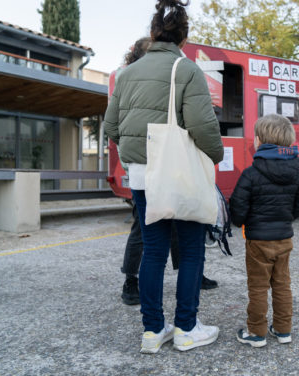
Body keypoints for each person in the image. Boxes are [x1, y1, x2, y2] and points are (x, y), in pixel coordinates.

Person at [104, 0, 224, 354]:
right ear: (183, 37)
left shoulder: (126, 74)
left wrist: (137, 153)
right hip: (179, 174)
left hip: (141, 177)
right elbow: (203, 127)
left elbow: (111, 126)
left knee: (154, 251)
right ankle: (187, 327)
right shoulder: (187, 70)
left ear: (153, 33)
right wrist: (215, 156)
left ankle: (153, 331)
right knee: (190, 252)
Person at [115, 38, 217, 307]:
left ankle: (159, 307)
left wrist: (128, 159)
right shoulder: (143, 75)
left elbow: (112, 127)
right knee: (152, 230)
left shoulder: (126, 77)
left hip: (144, 169)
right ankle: (131, 280)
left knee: (157, 230)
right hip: (158, 167)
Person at [229, 114, 299, 348]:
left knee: (258, 287)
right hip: (284, 239)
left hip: (258, 241)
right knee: (282, 284)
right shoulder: (296, 172)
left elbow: (238, 209)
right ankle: (283, 330)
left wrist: (242, 222)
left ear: (260, 140)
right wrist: (285, 220)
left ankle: (256, 332)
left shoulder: (251, 174)